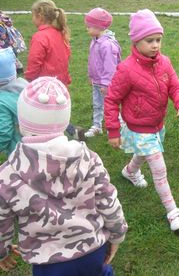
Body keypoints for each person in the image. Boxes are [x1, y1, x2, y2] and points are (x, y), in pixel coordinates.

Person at [0, 77, 128, 275]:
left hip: (49, 264)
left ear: (21, 122)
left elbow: (1, 221)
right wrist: (117, 235)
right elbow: (108, 200)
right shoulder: (89, 159)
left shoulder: (8, 174)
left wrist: (2, 251)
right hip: (93, 251)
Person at [105, 9, 179, 232]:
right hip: (139, 127)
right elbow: (112, 99)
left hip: (157, 124)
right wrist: (113, 130)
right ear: (136, 41)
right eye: (149, 40)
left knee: (143, 154)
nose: (155, 45)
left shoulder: (165, 62)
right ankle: (173, 212)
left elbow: (175, 85)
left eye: (158, 40)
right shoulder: (126, 69)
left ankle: (130, 171)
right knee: (159, 168)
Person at [24, 0, 84, 140]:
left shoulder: (39, 37)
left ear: (40, 16)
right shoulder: (60, 34)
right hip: (60, 82)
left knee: (44, 114)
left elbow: (34, 61)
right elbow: (65, 57)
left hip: (44, 84)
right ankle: (72, 131)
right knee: (55, 111)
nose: (32, 19)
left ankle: (49, 139)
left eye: (32, 15)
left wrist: (29, 80)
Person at [84, 7, 121, 138]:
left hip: (106, 83)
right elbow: (92, 60)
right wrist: (91, 75)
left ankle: (119, 125)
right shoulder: (95, 41)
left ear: (98, 27)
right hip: (96, 80)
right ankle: (97, 126)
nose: (86, 28)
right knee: (97, 104)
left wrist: (106, 84)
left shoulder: (107, 45)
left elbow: (110, 67)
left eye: (89, 26)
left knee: (110, 104)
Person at [0, 47, 28, 157]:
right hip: (40, 145)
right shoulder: (27, 87)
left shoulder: (2, 103)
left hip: (20, 153)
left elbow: (3, 133)